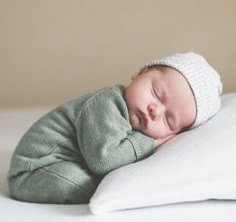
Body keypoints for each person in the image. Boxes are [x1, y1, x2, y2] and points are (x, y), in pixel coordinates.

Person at [7, 52, 223, 204]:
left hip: (62, 161)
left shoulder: (135, 118)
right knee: (85, 184)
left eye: (169, 120)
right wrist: (151, 142)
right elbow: (103, 160)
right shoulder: (107, 104)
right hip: (35, 167)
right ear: (139, 73)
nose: (155, 110)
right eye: (156, 93)